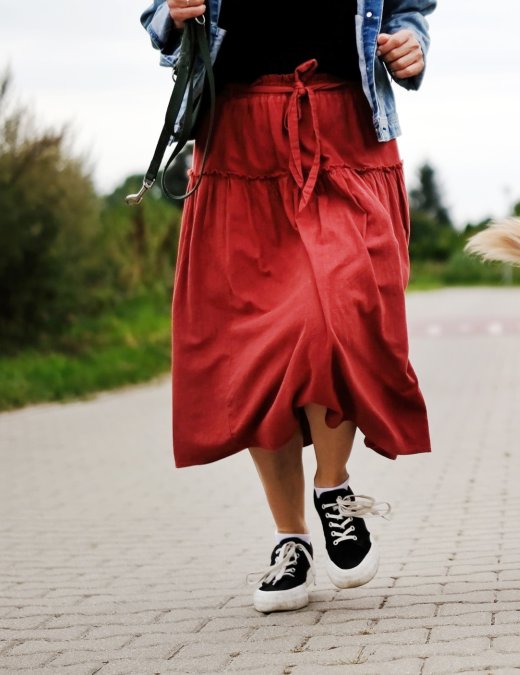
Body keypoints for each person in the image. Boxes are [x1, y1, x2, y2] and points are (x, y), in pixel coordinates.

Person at [138, 0, 436, 613]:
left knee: (340, 308)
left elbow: (409, 10)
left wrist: (410, 41)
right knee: (259, 348)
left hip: (346, 129)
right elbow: (157, 23)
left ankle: (334, 489)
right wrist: (170, 14)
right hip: (238, 142)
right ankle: (290, 539)